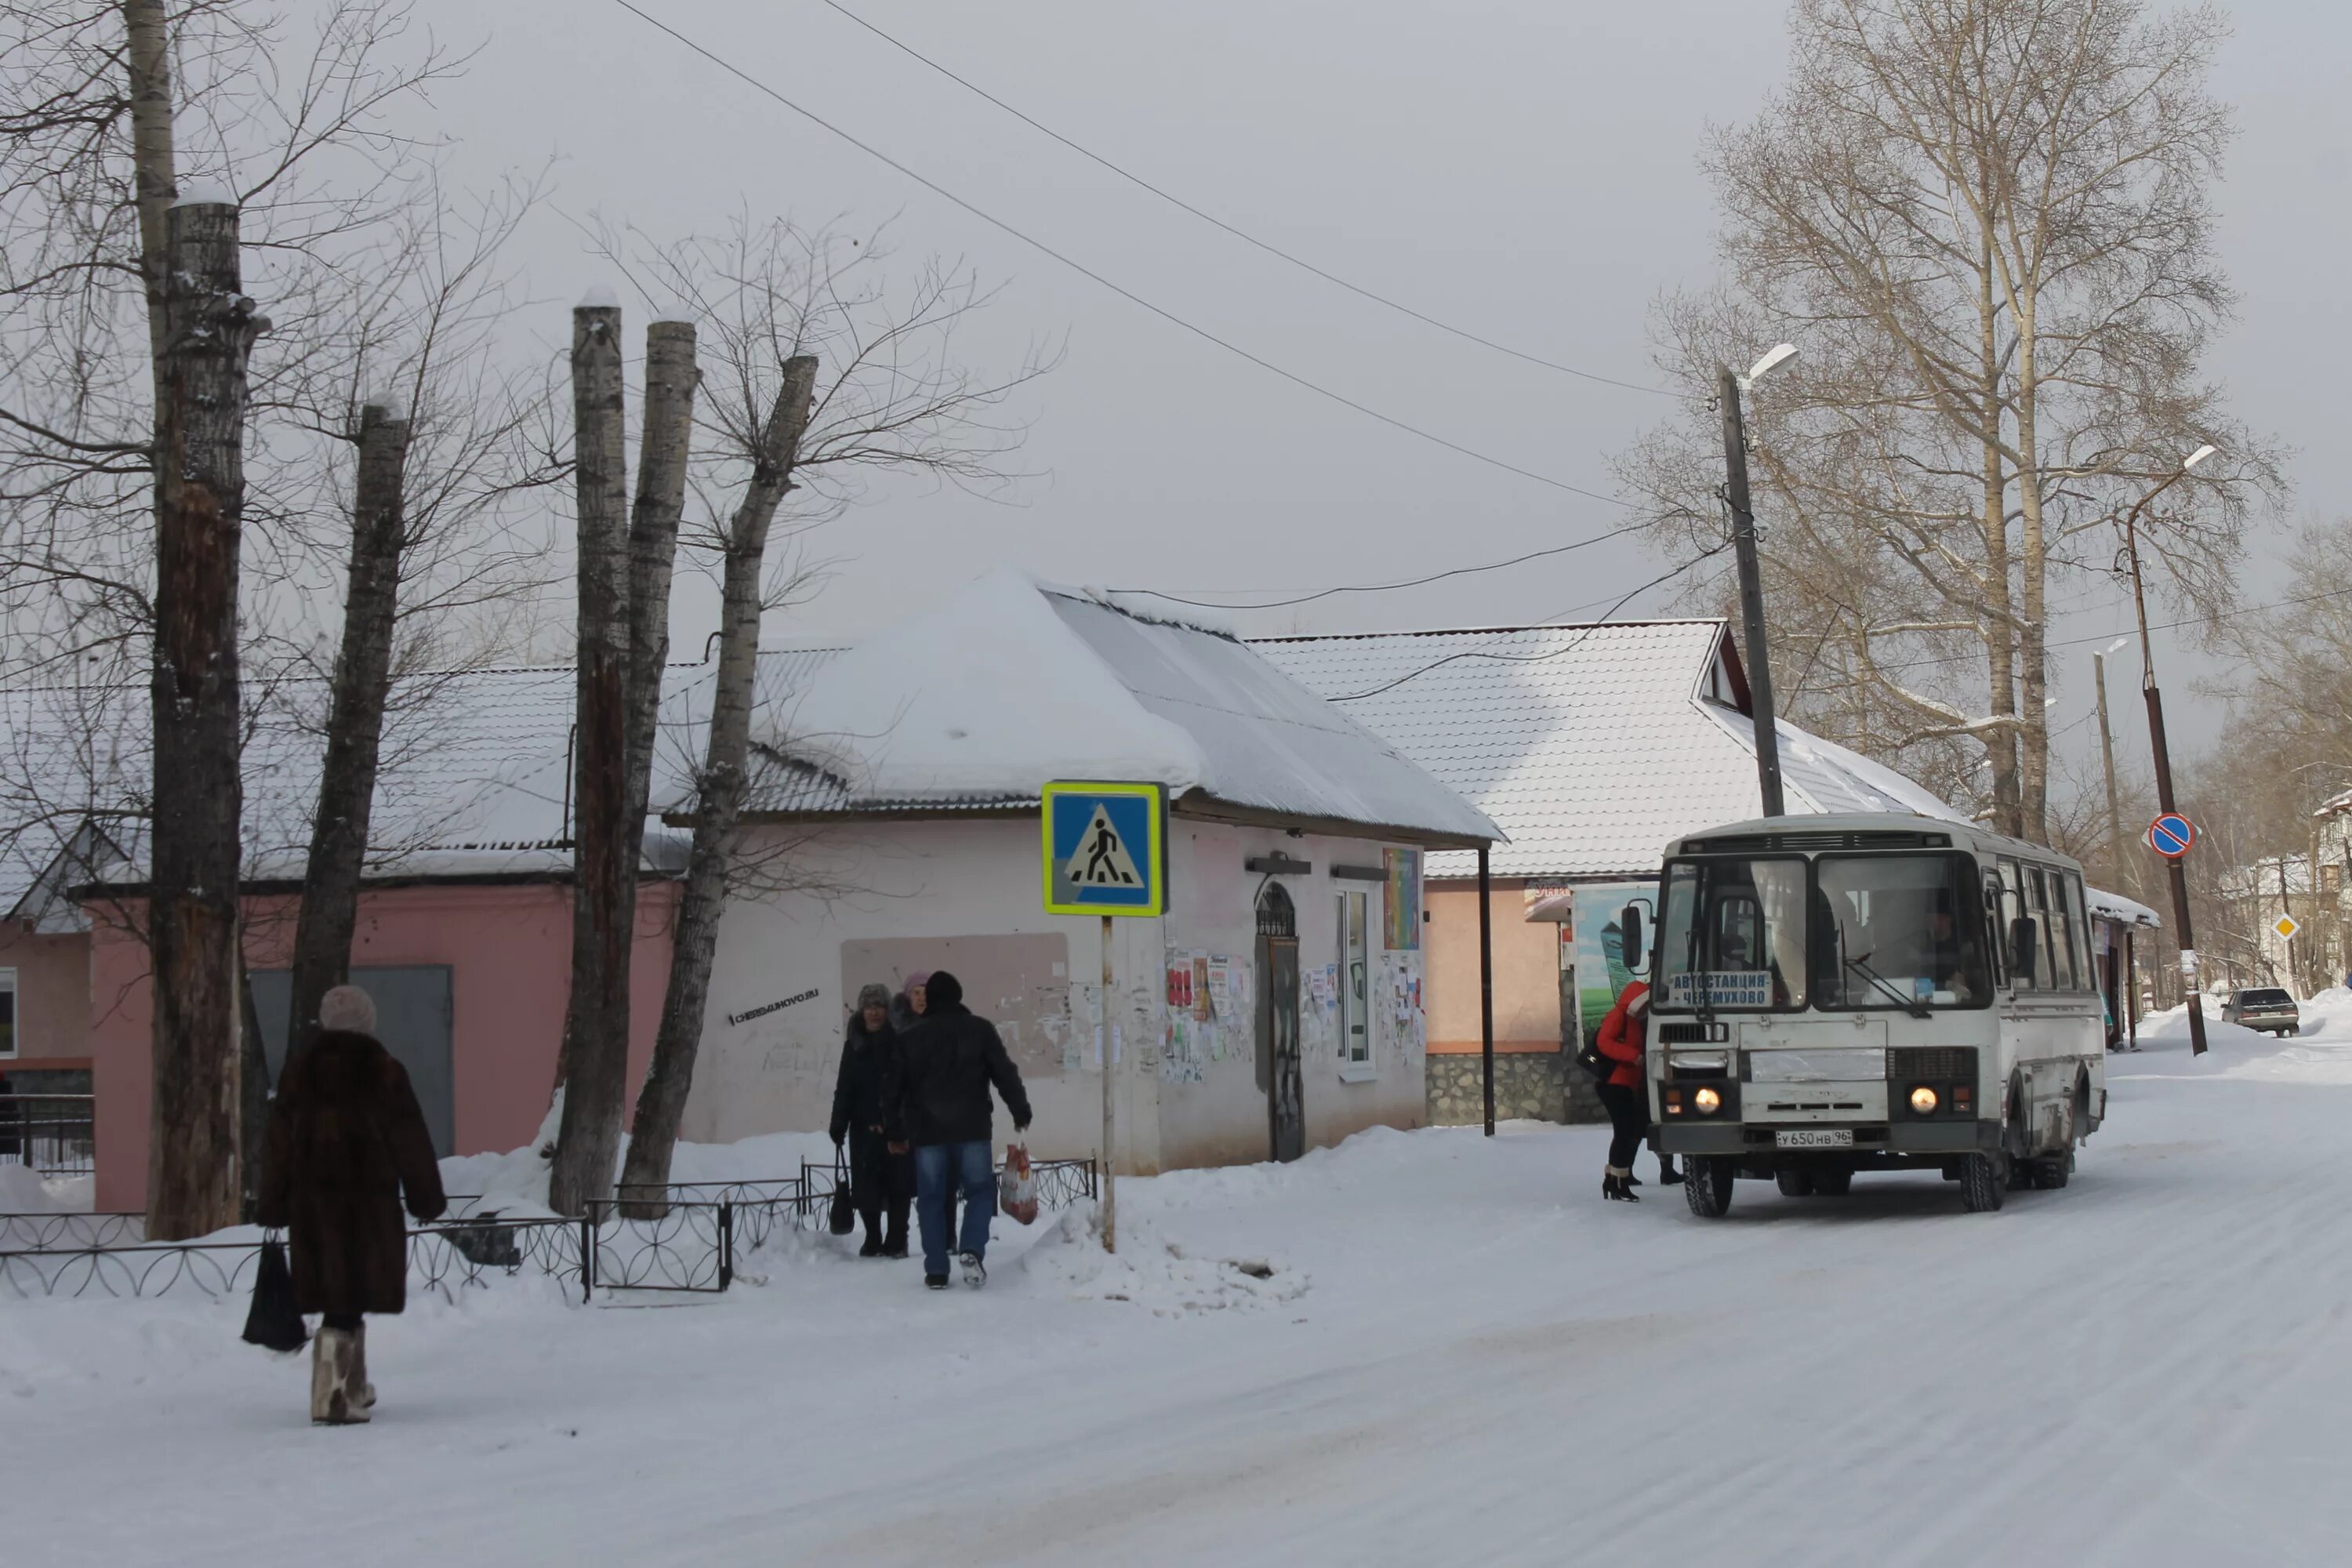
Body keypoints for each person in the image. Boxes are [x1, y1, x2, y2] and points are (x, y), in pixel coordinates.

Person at [256, 984, 446, 1425]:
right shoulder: (383, 1071)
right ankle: (333, 1395)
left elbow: (277, 1145)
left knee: (336, 1291)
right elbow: (410, 1139)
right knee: (349, 1292)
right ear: (368, 1022)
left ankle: (352, 1384)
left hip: (313, 1204)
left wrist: (273, 1202)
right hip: (368, 1204)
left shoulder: (298, 1072)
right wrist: (426, 1198)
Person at [887, 970, 1032, 1290]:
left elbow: (893, 1089)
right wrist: (1020, 1110)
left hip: (927, 1131)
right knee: (979, 1191)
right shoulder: (979, 1030)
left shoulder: (909, 1038)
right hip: (973, 1127)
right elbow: (1004, 1073)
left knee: (931, 1198)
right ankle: (971, 1249)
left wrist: (895, 1132)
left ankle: (937, 1269)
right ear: (958, 996)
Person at [831, 982, 913, 1258]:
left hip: (896, 1126)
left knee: (898, 1185)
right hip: (863, 1126)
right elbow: (844, 1088)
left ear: (887, 1010)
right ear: (861, 1010)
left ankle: (898, 1238)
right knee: (866, 1184)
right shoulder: (853, 1045)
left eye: (879, 1006)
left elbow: (907, 1085)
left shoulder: (900, 1040)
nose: (874, 1012)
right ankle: (873, 1237)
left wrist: (896, 1121)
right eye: (869, 1007)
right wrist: (838, 1123)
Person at [1595, 979, 1676, 1200]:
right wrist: (1634, 1056)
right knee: (1624, 1133)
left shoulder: (1631, 1020)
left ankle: (1614, 1180)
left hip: (1623, 1083)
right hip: (1614, 1083)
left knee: (1625, 1133)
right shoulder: (1619, 1016)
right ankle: (1618, 1181)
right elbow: (1604, 1042)